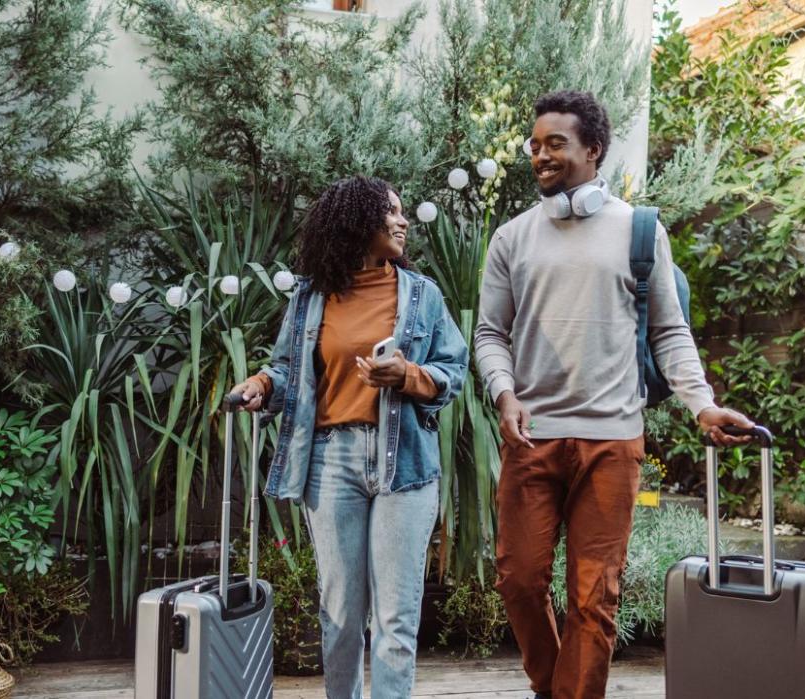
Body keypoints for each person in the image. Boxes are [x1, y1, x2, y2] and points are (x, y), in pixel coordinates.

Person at [473, 90, 754, 699]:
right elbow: (490, 333)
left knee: (594, 596)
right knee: (519, 581)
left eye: (556, 143)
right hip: (532, 435)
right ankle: (554, 688)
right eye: (535, 145)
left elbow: (669, 331)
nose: (540, 155)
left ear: (593, 149)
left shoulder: (639, 230)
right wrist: (503, 392)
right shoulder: (511, 239)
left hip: (612, 440)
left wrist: (701, 403)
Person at [230, 175, 469, 699]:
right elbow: (290, 369)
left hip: (403, 463)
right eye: (392, 213)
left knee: (396, 616)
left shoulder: (422, 296)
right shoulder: (313, 298)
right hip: (330, 459)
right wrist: (263, 383)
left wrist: (408, 375)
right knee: (339, 613)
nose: (403, 222)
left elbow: (454, 370)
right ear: (358, 222)